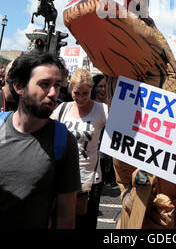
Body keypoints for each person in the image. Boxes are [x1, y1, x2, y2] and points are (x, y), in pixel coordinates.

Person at [0, 50, 81, 229]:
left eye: (58, 85)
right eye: (44, 84)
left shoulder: (64, 141)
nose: (53, 93)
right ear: (19, 87)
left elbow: (65, 216)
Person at [52, 67, 106, 229]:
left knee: (85, 225)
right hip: (62, 177)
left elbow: (122, 131)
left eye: (85, 93)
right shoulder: (62, 109)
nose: (81, 98)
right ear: (70, 90)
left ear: (91, 90)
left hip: (89, 180)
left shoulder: (102, 110)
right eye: (77, 93)